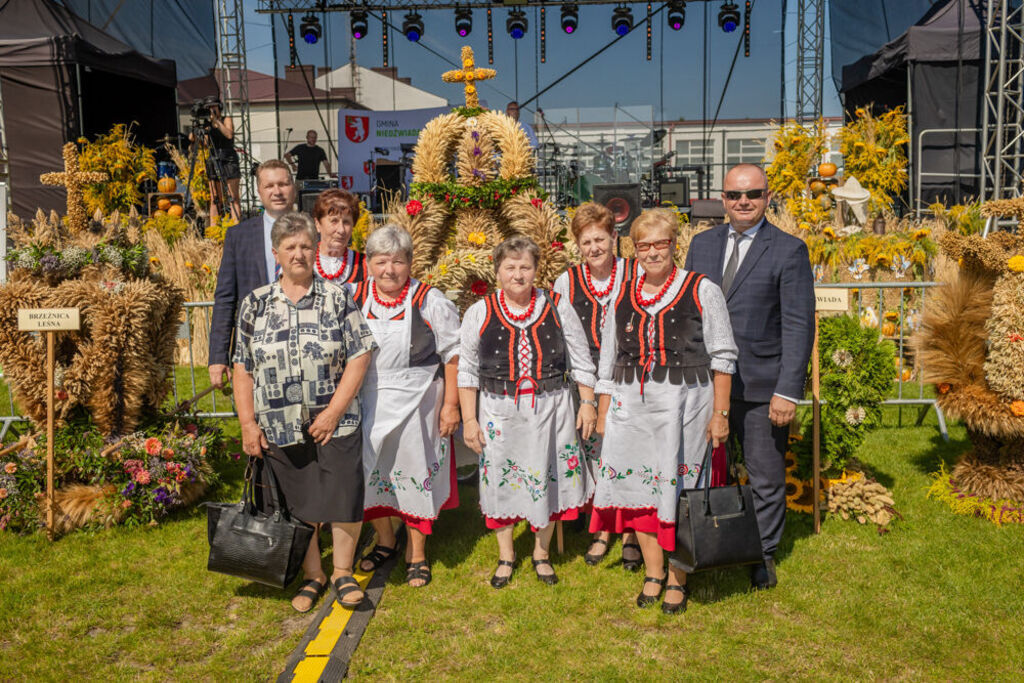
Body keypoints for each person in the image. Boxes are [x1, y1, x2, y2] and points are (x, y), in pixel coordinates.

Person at [232, 212, 377, 613]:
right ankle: (314, 574)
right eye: (290, 247)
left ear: (315, 250)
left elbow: (360, 354)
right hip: (277, 425)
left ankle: (343, 572)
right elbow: (242, 365)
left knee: (343, 495)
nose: (298, 253)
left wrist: (333, 412)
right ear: (276, 253)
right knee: (299, 502)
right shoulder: (255, 303)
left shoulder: (337, 297)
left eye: (305, 246)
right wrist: (247, 423)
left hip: (335, 422)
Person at [593, 208, 737, 614]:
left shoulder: (702, 288)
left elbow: (724, 356)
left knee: (678, 493)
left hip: (685, 406)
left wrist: (720, 414)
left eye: (661, 243)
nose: (653, 252)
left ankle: (678, 576)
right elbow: (607, 359)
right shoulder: (620, 294)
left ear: (676, 244)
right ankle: (653, 573)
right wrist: (603, 413)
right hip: (631, 407)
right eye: (644, 246)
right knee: (639, 492)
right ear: (634, 250)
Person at [684, 163, 815, 590]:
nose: (744, 202)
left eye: (753, 194)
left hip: (761, 388)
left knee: (764, 475)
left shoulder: (788, 250)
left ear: (767, 196)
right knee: (699, 471)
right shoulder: (701, 245)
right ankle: (702, 544)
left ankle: (763, 555)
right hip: (703, 384)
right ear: (722, 199)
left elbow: (799, 325)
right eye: (735, 195)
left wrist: (787, 391)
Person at [459, 236, 598, 588]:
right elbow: (466, 371)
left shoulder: (556, 306)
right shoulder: (480, 311)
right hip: (498, 409)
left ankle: (541, 553)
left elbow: (581, 361)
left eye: (525, 267)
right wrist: (470, 419)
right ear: (497, 272)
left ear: (537, 270)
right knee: (499, 483)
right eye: (510, 267)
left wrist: (587, 403)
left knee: (547, 477)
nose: (518, 274)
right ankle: (506, 556)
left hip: (551, 408)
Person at [348, 225, 462, 588]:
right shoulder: (353, 297)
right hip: (368, 397)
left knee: (414, 475)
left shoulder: (430, 300)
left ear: (410, 263)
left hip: (419, 399)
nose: (389, 270)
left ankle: (417, 553)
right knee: (370, 474)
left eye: (398, 261)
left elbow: (454, 355)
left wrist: (451, 406)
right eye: (381, 261)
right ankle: (385, 539)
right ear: (368, 263)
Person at [552, 202, 642, 571]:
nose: (594, 248)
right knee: (599, 453)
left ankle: (635, 532)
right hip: (588, 379)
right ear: (577, 245)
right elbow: (571, 344)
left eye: (600, 239)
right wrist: (588, 396)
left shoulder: (636, 272)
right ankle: (604, 528)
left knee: (635, 453)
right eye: (586, 241)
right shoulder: (566, 282)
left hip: (634, 376)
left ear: (614, 238)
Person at [209, 159, 297, 390]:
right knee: (254, 423)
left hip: (303, 347)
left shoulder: (313, 231)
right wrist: (218, 357)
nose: (277, 191)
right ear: (259, 191)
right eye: (269, 186)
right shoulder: (239, 236)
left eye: (283, 184)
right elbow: (225, 298)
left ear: (293, 187)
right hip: (254, 349)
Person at [190, 99, 241, 223]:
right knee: (215, 198)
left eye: (214, 106)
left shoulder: (225, 119)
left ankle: (236, 226)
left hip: (228, 158)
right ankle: (214, 230)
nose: (211, 109)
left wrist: (216, 121)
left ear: (219, 107)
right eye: (209, 107)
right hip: (213, 158)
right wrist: (197, 126)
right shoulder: (206, 124)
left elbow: (229, 134)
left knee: (233, 197)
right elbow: (196, 140)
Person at [312, 189, 368, 285]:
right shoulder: (303, 261)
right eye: (334, 221)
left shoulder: (365, 265)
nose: (341, 230)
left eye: (346, 222)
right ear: (318, 224)